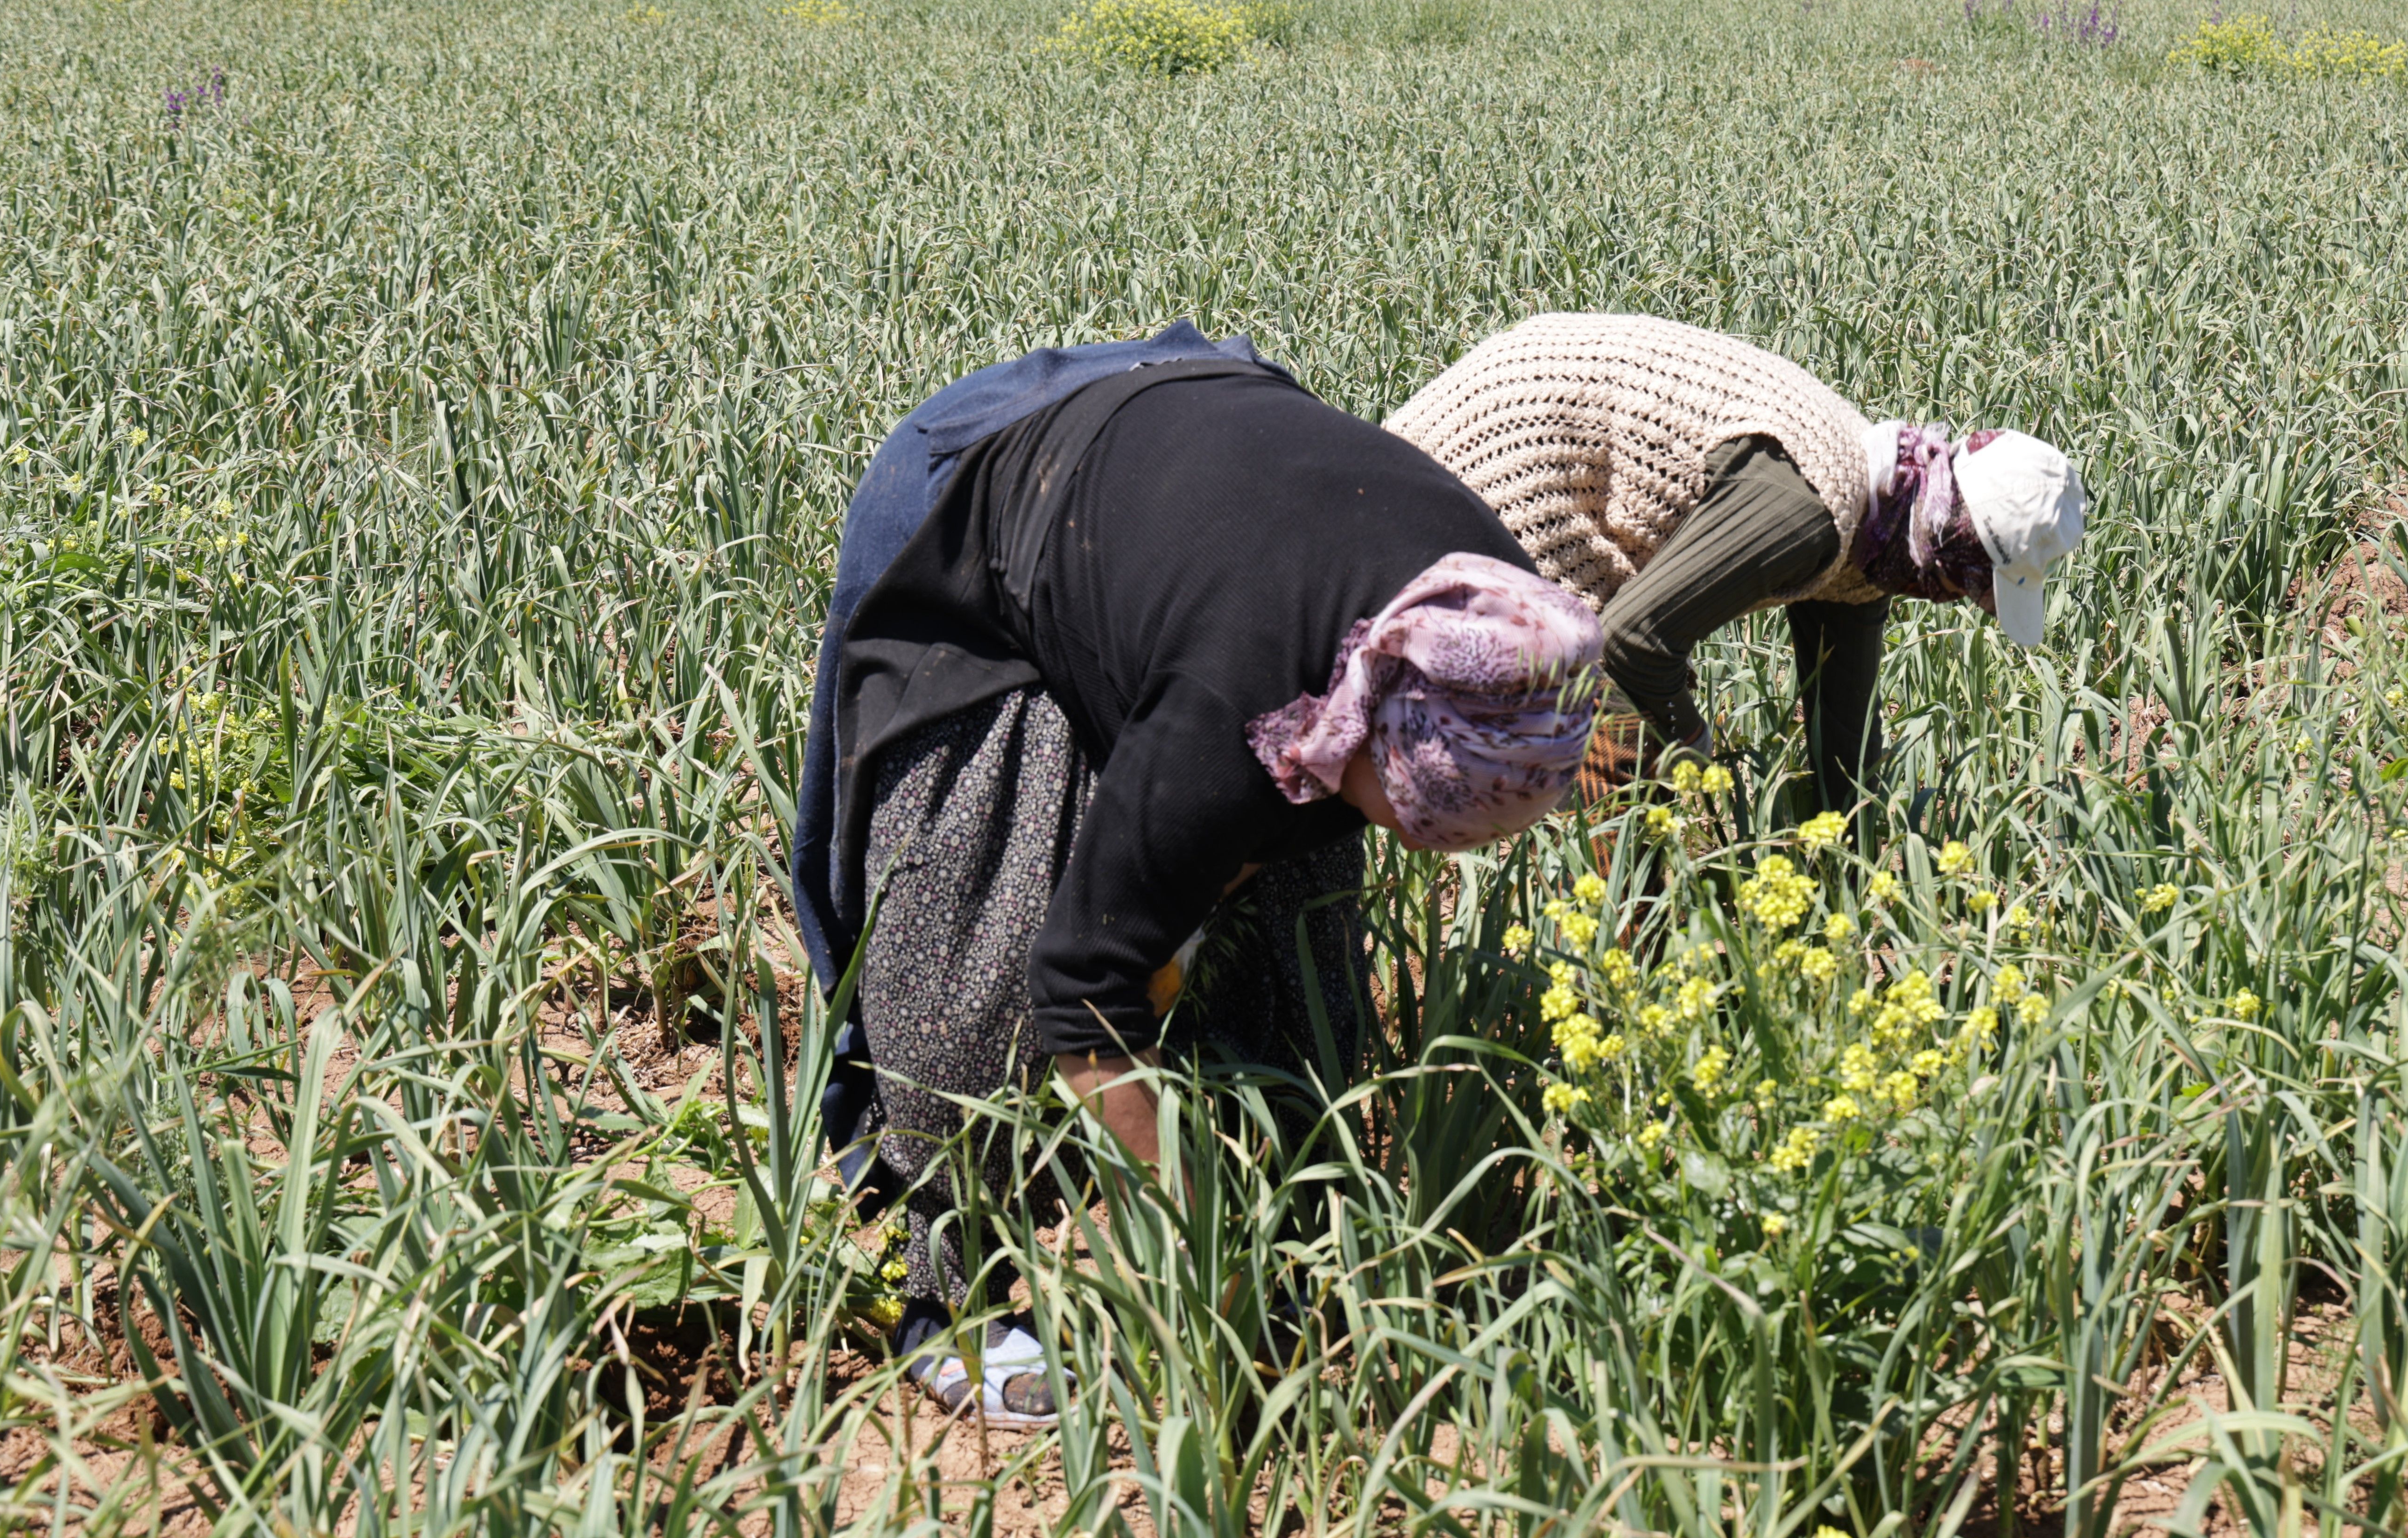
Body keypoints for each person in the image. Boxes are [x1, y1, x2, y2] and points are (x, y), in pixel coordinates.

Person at [793, 322, 1602, 1425]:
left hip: (1209, 455)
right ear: (1355, 725)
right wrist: (1192, 1241)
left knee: (1294, 942)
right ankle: (952, 1300)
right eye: (1420, 822)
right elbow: (1082, 989)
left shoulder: (1499, 627)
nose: (1427, 851)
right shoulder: (1243, 699)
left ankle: (1289, 1225)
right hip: (991, 486)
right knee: (978, 932)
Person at [1385, 313, 2085, 815]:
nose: (1952, 603)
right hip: (1508, 458)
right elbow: (1632, 642)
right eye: (1966, 587)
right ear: (1942, 547)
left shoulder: (1875, 541)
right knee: (1611, 736)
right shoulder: (1812, 510)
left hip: (1559, 454)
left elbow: (1845, 735)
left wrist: (1857, 847)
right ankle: (1627, 955)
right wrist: (1693, 746)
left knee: (1632, 738)